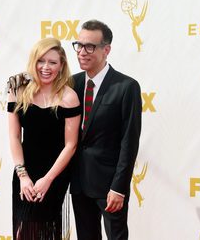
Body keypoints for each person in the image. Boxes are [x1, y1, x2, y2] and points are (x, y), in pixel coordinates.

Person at [69, 20, 142, 240]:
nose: (82, 52)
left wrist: (119, 188)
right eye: (78, 45)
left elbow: (129, 142)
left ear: (106, 49)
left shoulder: (126, 87)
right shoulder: (72, 83)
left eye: (89, 46)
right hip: (79, 183)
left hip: (110, 186)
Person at [7, 37, 81, 240]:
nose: (46, 67)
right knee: (24, 231)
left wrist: (48, 179)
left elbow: (71, 144)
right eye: (41, 61)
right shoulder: (18, 90)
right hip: (24, 172)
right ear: (34, 61)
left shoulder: (68, 97)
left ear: (61, 65)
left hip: (55, 173)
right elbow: (14, 136)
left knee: (44, 231)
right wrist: (22, 176)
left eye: (52, 62)